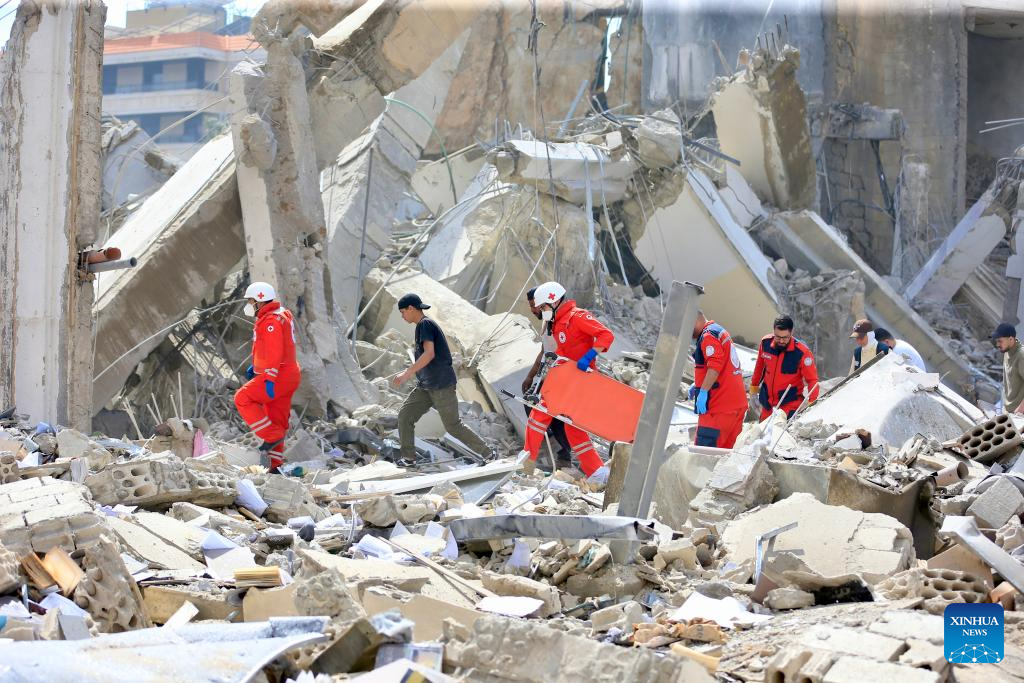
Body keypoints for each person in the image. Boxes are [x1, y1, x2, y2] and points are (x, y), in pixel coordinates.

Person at [519, 281, 612, 481]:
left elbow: (606, 335)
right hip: (566, 378)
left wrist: (589, 357)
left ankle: (526, 461)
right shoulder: (557, 322)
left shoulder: (578, 317)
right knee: (572, 428)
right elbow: (559, 351)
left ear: (554, 301)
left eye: (543, 307)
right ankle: (597, 472)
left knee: (540, 415)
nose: (541, 311)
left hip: (581, 379)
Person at [393, 293, 490, 461]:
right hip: (426, 386)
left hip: (441, 385)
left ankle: (489, 453)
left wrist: (407, 373)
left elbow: (429, 353)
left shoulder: (425, 324)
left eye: (403, 312)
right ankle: (408, 458)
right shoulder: (421, 326)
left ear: (411, 308)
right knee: (405, 416)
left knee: (453, 426)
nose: (402, 316)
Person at [234, 281, 302, 473]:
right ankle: (275, 465)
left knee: (242, 398)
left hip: (278, 374)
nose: (248, 305)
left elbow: (274, 351)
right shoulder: (280, 314)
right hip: (288, 373)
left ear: (260, 300)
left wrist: (269, 377)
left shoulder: (270, 321)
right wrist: (256, 367)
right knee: (276, 417)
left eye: (250, 301)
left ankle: (271, 436)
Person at [521, 287, 573, 468]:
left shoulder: (560, 320)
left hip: (562, 377)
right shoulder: (547, 320)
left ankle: (563, 454)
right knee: (531, 404)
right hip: (549, 376)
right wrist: (530, 376)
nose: (533, 310)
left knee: (556, 418)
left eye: (535, 305)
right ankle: (556, 450)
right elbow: (545, 350)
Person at [691, 311, 748, 448]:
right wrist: (698, 383)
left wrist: (703, 391)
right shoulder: (718, 331)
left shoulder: (707, 335)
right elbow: (725, 364)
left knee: (705, 454)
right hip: (735, 406)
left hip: (718, 408)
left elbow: (715, 366)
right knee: (725, 456)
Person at [750, 315, 820, 421]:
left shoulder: (802, 353)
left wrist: (812, 404)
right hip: (767, 405)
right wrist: (753, 391)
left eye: (785, 337)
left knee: (780, 431)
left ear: (791, 333)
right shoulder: (765, 343)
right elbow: (759, 368)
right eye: (778, 337)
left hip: (789, 406)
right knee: (762, 431)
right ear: (773, 331)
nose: (781, 341)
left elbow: (812, 380)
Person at [994, 322, 1024, 414]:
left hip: (1018, 415)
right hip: (1007, 410)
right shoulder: (1007, 351)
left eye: (1000, 341)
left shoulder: (1021, 355)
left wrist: (1019, 411)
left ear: (1011, 339)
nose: (997, 344)